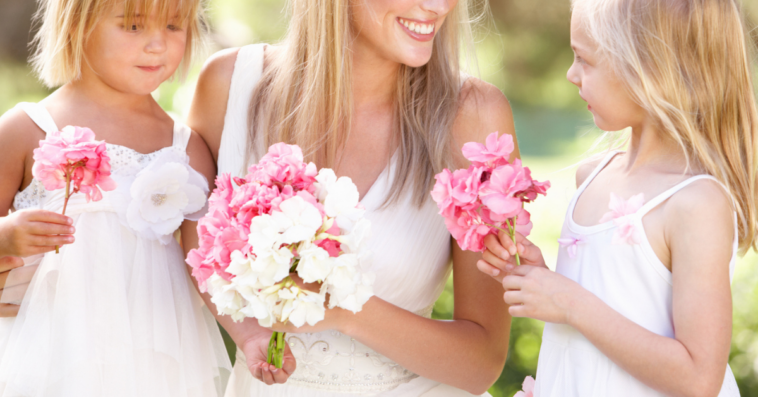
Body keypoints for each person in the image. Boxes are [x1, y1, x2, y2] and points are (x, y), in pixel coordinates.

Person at [187, 0, 516, 395]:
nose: (438, 6)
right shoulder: (229, 85)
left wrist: (345, 311)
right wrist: (248, 334)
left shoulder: (474, 116)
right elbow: (196, 236)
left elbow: (481, 364)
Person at [478, 0, 757, 396]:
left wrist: (569, 301)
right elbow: (608, 310)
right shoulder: (592, 178)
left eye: (584, 60)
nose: (571, 74)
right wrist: (542, 281)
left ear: (649, 70)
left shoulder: (696, 204)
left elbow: (699, 378)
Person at [0, 0, 232, 395]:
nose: (158, 44)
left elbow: (205, 266)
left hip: (152, 355)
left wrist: (257, 329)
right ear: (77, 28)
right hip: (50, 349)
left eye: (174, 27)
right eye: (134, 27)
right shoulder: (27, 129)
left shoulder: (186, 148)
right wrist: (6, 237)